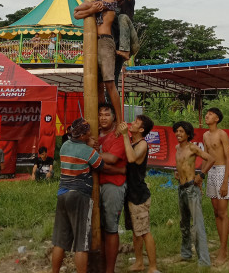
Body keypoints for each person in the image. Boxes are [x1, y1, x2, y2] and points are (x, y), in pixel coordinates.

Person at [51, 117, 124, 273]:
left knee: (60, 241)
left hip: (62, 194)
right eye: (89, 132)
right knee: (81, 244)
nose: (92, 133)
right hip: (79, 196)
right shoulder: (87, 151)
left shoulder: (64, 146)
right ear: (83, 135)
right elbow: (101, 166)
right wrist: (120, 171)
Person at [74, 0, 122, 125]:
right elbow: (75, 14)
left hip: (105, 41)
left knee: (109, 82)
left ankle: (120, 120)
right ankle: (101, 118)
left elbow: (79, 11)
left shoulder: (111, 0)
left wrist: (90, 7)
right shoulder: (94, 4)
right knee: (98, 84)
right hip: (92, 43)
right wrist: (92, 9)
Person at [118, 116, 160, 273]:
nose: (132, 123)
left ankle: (153, 267)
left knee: (144, 232)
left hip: (139, 195)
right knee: (136, 232)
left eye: (136, 123)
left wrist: (123, 135)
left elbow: (131, 158)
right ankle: (139, 263)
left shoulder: (142, 144)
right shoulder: (132, 142)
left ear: (141, 130)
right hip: (130, 193)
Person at [172, 121, 215, 267]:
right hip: (181, 189)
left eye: (181, 131)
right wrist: (178, 172)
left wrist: (201, 175)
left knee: (197, 226)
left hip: (192, 190)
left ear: (188, 134)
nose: (178, 134)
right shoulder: (177, 147)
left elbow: (211, 159)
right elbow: (182, 164)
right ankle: (186, 254)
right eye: (177, 131)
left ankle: (204, 261)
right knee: (184, 224)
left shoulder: (193, 148)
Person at [97, 103, 127, 273]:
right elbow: (105, 161)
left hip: (113, 185)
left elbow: (113, 158)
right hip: (95, 185)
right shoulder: (95, 133)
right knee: (98, 228)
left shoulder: (119, 135)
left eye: (107, 114)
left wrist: (92, 157)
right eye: (100, 114)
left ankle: (110, 270)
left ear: (114, 117)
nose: (103, 117)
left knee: (110, 228)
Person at [203, 108, 229, 267]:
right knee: (216, 211)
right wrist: (201, 175)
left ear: (217, 118)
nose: (207, 116)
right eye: (206, 114)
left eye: (210, 114)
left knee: (223, 212)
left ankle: (223, 250)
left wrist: (225, 182)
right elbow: (206, 157)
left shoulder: (222, 134)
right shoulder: (205, 135)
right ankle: (223, 247)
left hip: (222, 172)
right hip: (211, 173)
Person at [112, 0, 139, 87]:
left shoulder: (129, 2)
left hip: (130, 45)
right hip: (116, 47)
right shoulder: (111, 5)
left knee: (122, 17)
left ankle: (124, 51)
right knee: (112, 78)